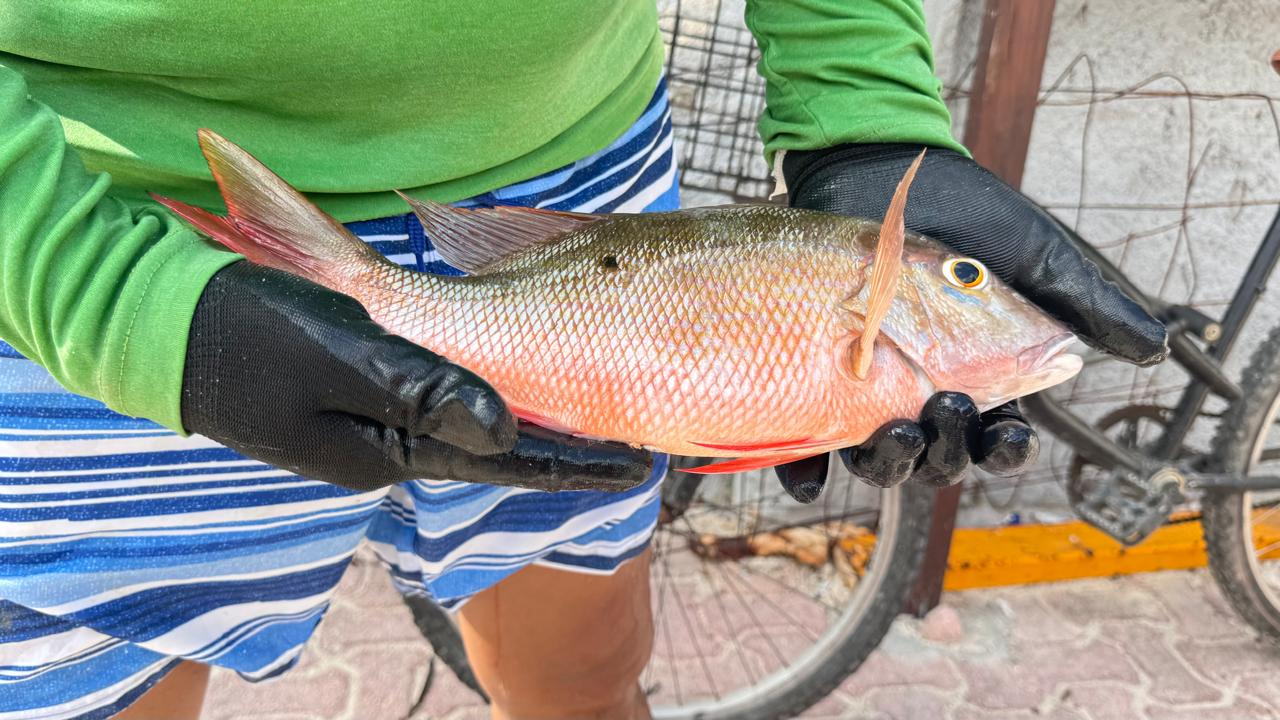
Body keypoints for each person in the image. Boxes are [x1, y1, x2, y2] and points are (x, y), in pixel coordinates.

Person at [0, 1, 1165, 719]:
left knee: (585, 678)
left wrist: (862, 103)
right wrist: (119, 302)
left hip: (581, 193)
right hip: (102, 221)